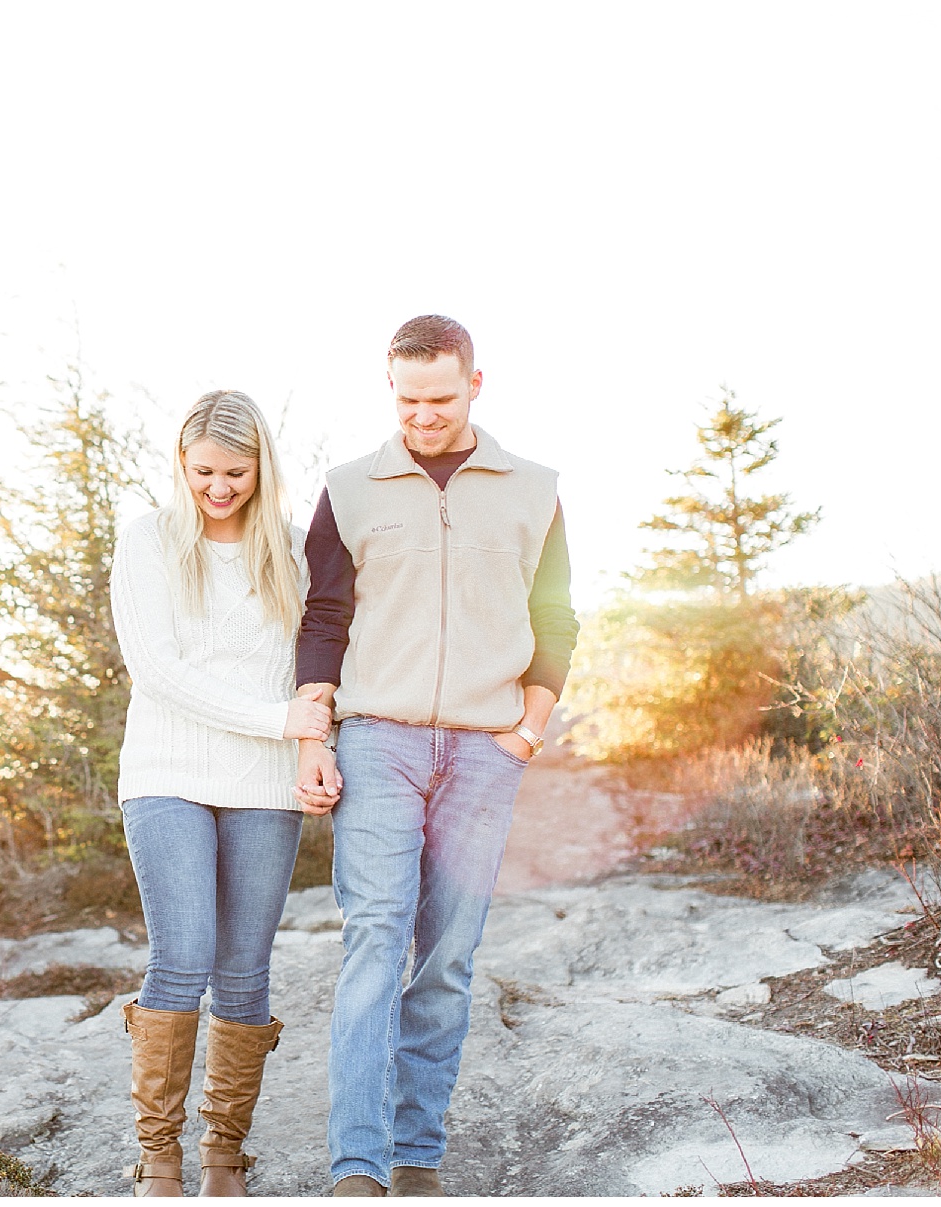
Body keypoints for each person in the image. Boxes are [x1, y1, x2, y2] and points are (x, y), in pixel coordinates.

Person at [294, 316, 579, 1197]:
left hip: (486, 751)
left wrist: (527, 730)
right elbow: (323, 620)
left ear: (476, 385)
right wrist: (314, 734)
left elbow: (558, 618)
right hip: (378, 741)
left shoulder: (534, 488)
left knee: (447, 955)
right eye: (407, 398)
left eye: (440, 399)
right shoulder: (348, 488)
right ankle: (358, 1164)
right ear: (391, 385)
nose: (422, 415)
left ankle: (416, 1156)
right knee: (374, 941)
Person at [110, 390, 334, 1197]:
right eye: (202, 470)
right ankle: (158, 1158)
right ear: (181, 462)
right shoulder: (149, 542)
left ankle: (222, 1158)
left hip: (264, 785)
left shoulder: (291, 548)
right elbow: (159, 672)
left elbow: (315, 661)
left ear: (260, 466)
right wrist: (281, 721)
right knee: (184, 953)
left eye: (235, 472)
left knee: (244, 970)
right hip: (168, 774)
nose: (218, 486)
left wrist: (312, 741)